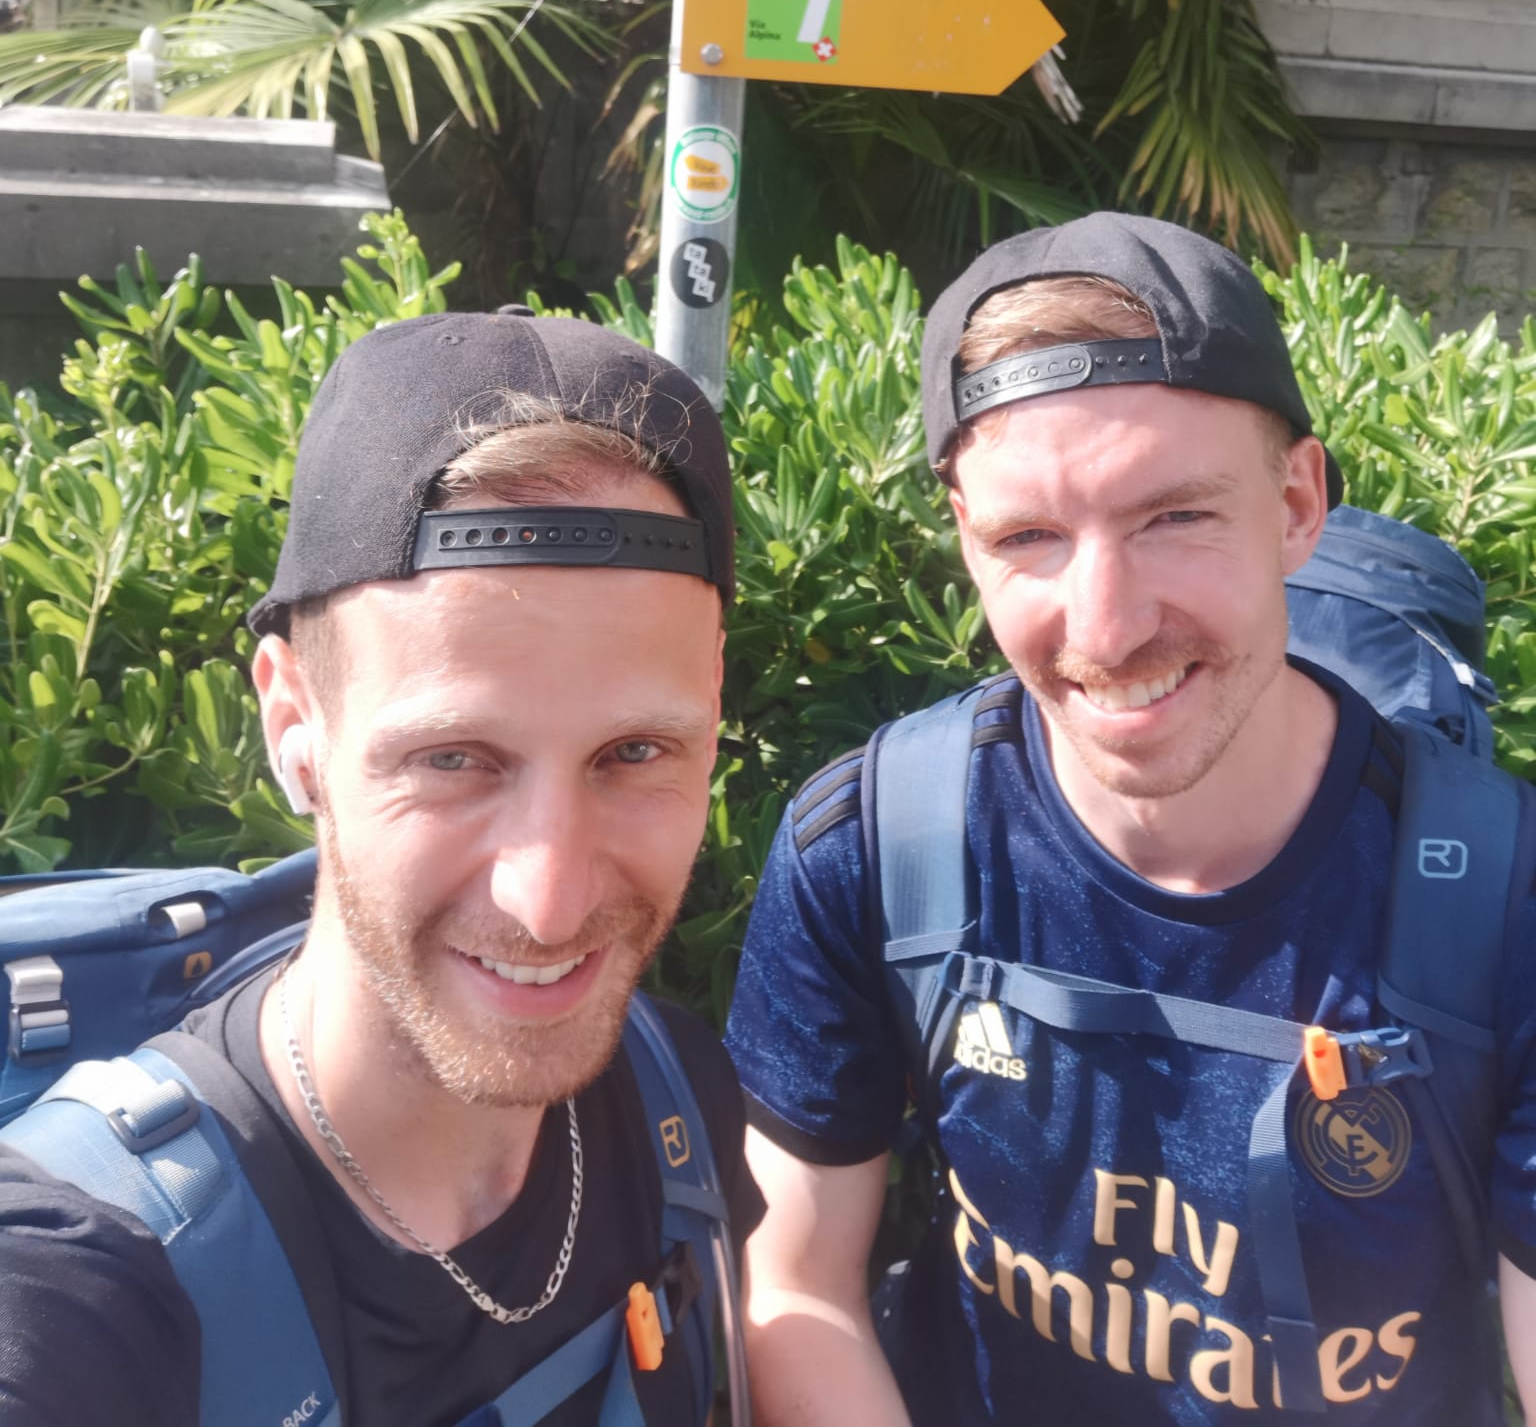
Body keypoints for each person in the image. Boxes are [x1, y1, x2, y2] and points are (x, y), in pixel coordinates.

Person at [725, 213, 1536, 1424]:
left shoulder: (1504, 902)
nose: (1105, 628)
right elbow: (797, 1284)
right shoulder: (879, 845)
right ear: (965, 540)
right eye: (1028, 536)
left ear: (1296, 502)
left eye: (1175, 516)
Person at [0, 306, 762, 1425]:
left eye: (635, 752)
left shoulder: (672, 1092)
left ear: (712, 701)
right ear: (294, 724)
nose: (549, 904)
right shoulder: (79, 1288)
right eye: (453, 759)